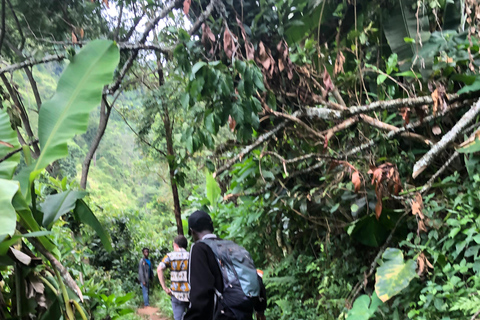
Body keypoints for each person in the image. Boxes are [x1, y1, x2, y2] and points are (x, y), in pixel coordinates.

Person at [183, 210, 266, 320]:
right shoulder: (231, 245)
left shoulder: (199, 248)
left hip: (223, 314)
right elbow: (254, 276)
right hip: (244, 313)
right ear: (211, 227)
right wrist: (260, 309)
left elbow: (200, 292)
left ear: (192, 231)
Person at [157, 235, 190, 320]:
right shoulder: (191, 256)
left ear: (175, 245)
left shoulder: (170, 256)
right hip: (190, 294)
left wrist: (165, 288)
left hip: (176, 294)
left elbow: (159, 269)